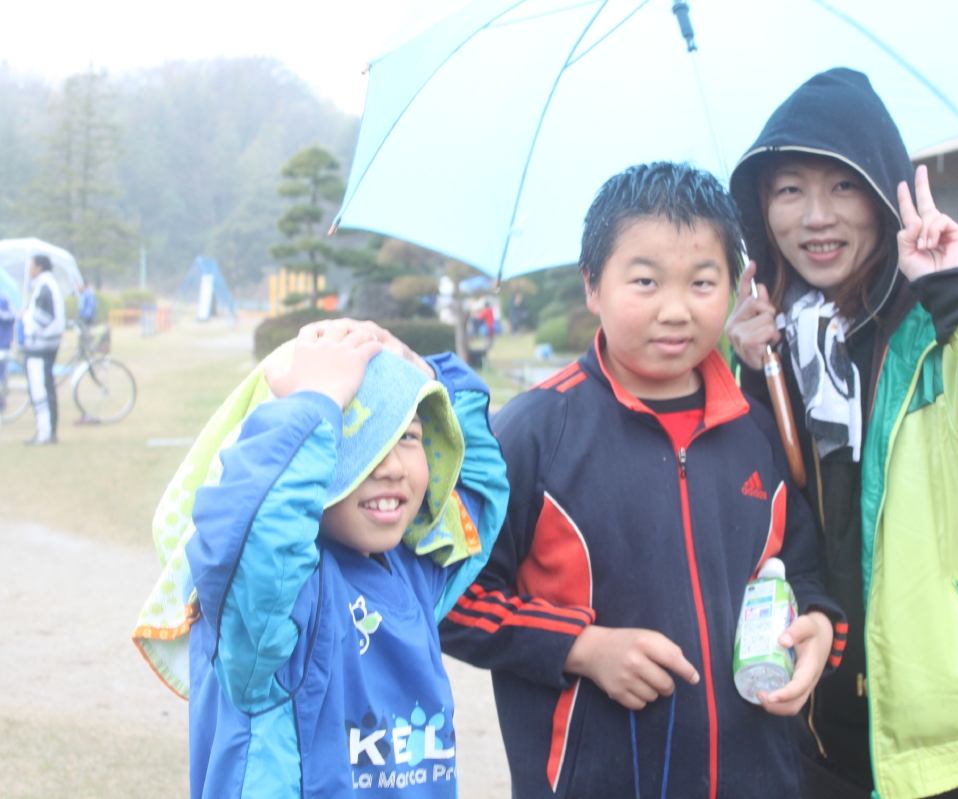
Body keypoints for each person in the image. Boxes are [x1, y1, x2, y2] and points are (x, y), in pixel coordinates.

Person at [724, 69, 958, 799]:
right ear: (762, 210)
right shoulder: (774, 344)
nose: (816, 217)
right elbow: (764, 514)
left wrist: (957, 298)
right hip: (810, 718)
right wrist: (753, 373)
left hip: (944, 738)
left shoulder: (947, 327)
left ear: (883, 192)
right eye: (790, 190)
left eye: (843, 186)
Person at [440, 162, 844, 799]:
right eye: (646, 282)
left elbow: (803, 572)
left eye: (702, 282)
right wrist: (580, 647)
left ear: (734, 285)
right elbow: (448, 598)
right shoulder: (533, 434)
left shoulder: (755, 430)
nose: (675, 310)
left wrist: (818, 625)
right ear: (592, 285)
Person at [185, 321, 509, 797]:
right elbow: (251, 532)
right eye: (360, 437)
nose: (391, 466)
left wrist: (430, 372)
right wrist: (314, 402)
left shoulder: (416, 571)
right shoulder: (278, 605)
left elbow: (479, 482)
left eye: (409, 435)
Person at [22, 254, 65, 445]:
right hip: (47, 345)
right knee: (47, 387)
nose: (29, 269)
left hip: (41, 346)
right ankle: (48, 431)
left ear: (39, 268)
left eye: (31, 265)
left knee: (40, 389)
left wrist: (26, 316)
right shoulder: (49, 285)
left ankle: (45, 432)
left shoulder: (45, 287)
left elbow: (42, 319)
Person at [0, 290, 14, 416]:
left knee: (1, 375)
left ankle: (1, 403)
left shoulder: (4, 298)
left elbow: (12, 317)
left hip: (2, 344)